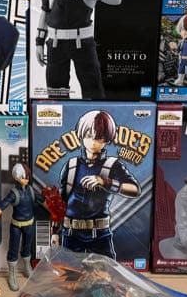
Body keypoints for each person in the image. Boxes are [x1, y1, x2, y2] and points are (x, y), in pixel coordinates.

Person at [56, 110, 139, 259]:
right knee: (69, 271)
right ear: (81, 135)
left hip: (100, 235)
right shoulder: (72, 165)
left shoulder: (113, 165)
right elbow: (61, 203)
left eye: (99, 137)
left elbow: (135, 189)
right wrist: (55, 231)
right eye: (89, 135)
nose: (93, 142)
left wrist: (105, 182)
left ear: (106, 139)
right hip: (71, 234)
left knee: (105, 271)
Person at [0, 163, 41, 290]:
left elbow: (42, 200)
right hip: (16, 226)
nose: (27, 179)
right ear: (17, 177)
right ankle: (12, 274)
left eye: (28, 177)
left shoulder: (31, 190)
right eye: (24, 177)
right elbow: (2, 205)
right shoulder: (14, 193)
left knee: (27, 247)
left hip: (29, 225)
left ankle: (27, 268)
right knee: (13, 250)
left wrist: (55, 209)